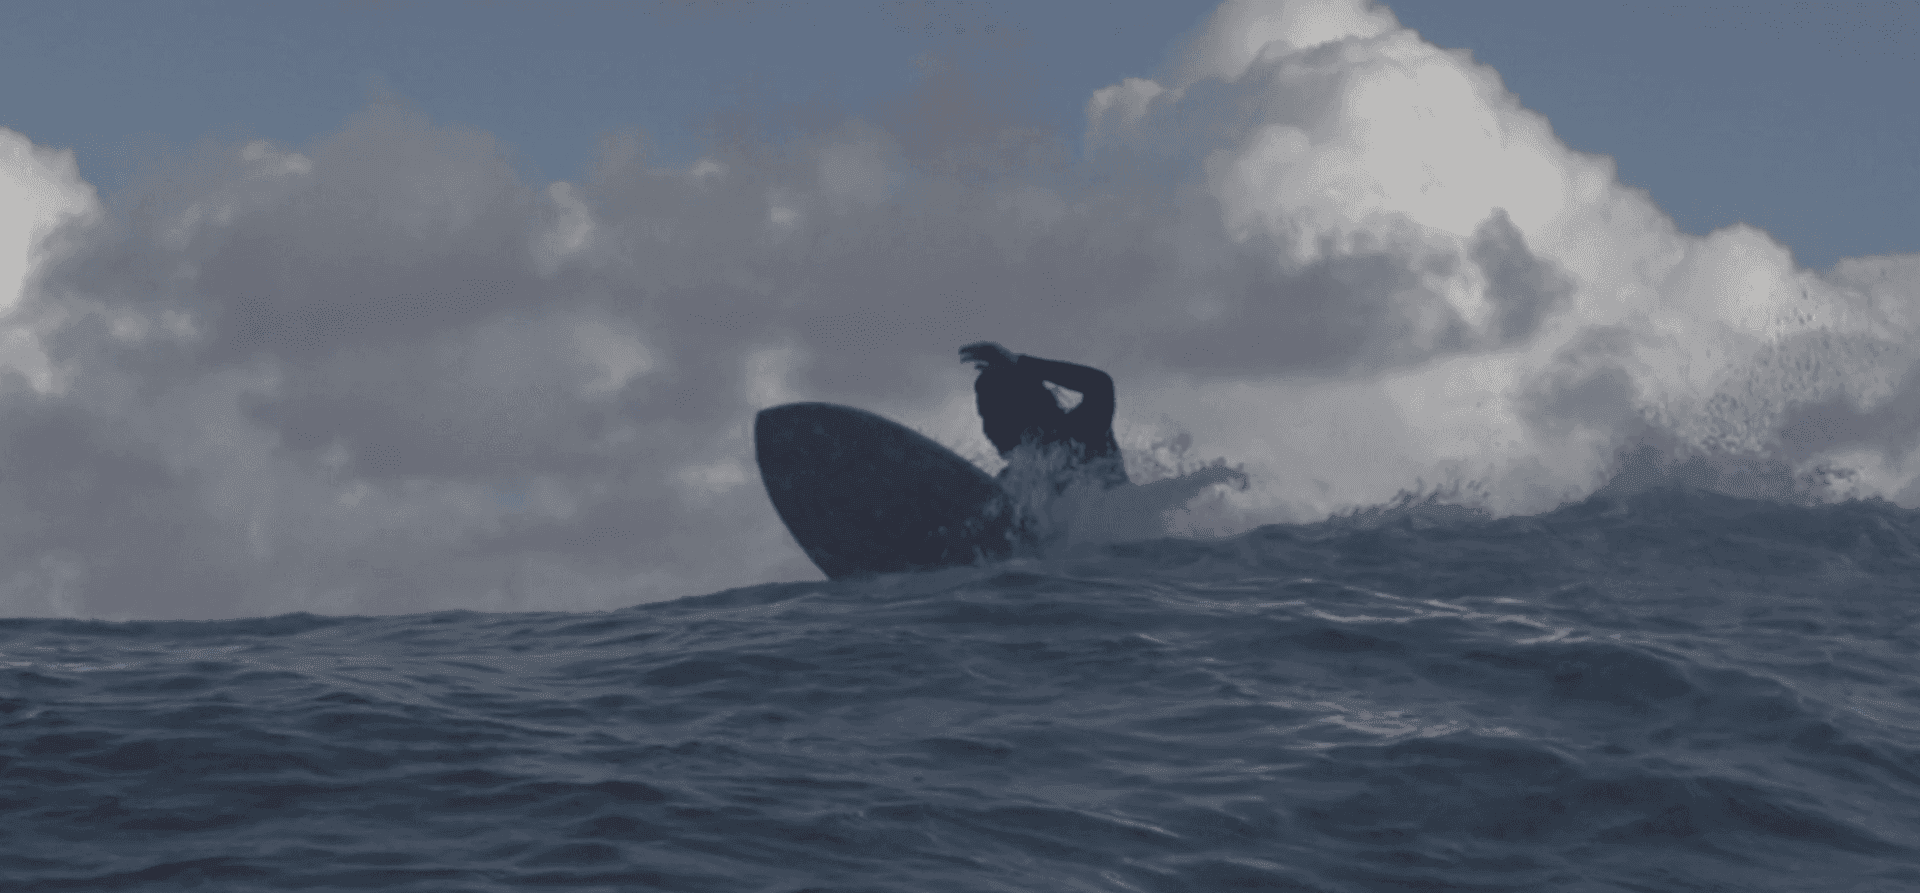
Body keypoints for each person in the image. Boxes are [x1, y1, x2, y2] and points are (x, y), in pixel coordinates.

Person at [960, 341, 1130, 491]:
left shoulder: (1082, 435)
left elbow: (1099, 385)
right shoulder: (1012, 483)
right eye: (984, 416)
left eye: (994, 417)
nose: (987, 431)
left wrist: (1018, 362)